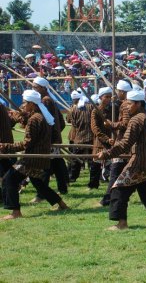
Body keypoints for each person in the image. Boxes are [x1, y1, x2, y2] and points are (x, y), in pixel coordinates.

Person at [97, 90, 146, 230]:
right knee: (145, 189)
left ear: (138, 104)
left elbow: (125, 143)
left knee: (118, 188)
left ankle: (121, 223)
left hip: (140, 160)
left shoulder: (136, 120)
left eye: (130, 104)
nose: (127, 107)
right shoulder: (145, 116)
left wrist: (107, 153)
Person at [0, 90, 69, 220]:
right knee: (38, 183)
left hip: (32, 158)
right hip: (39, 157)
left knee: (9, 179)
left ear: (32, 104)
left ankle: (15, 212)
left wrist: (6, 146)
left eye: (25, 102)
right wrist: (19, 116)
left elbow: (27, 143)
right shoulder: (41, 116)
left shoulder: (34, 120)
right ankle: (61, 204)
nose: (23, 105)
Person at [32, 77, 68, 200]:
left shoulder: (45, 100)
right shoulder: (49, 99)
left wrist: (47, 137)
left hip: (49, 139)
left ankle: (41, 194)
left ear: (42, 88)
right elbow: (61, 122)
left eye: (35, 87)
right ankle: (63, 187)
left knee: (45, 166)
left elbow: (45, 121)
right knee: (56, 163)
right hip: (53, 137)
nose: (33, 89)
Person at [99, 80, 132, 207]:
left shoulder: (125, 105)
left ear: (122, 92)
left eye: (118, 91)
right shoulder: (126, 103)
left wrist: (111, 124)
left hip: (124, 142)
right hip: (127, 142)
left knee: (115, 172)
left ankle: (107, 199)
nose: (117, 93)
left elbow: (125, 124)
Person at [67, 92, 94, 182]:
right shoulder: (91, 107)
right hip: (91, 137)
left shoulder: (73, 109)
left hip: (79, 138)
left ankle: (73, 177)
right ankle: (94, 179)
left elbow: (70, 121)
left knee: (76, 159)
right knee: (92, 159)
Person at [90, 87, 113, 191]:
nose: (108, 99)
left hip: (113, 141)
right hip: (100, 141)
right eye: (106, 97)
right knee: (96, 164)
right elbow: (95, 128)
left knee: (113, 164)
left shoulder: (113, 110)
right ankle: (93, 185)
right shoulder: (95, 111)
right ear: (100, 97)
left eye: (109, 97)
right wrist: (106, 139)